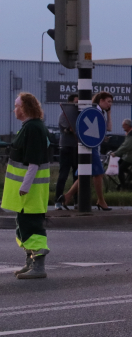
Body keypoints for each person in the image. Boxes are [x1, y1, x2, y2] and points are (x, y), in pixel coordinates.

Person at [2, 93, 51, 279]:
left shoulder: (33, 128)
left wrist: (25, 186)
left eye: (17, 106)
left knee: (31, 225)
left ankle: (38, 267)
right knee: (23, 225)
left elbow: (33, 162)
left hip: (30, 190)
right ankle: (30, 262)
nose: (14, 109)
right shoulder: (31, 127)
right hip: (28, 190)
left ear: (25, 108)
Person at [62, 92, 112, 211]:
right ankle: (101, 200)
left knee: (84, 175)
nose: (110, 104)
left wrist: (108, 113)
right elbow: (107, 128)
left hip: (90, 144)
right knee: (98, 174)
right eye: (108, 101)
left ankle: (66, 197)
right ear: (101, 101)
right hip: (90, 147)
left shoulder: (99, 112)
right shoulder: (95, 111)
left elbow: (105, 129)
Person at [54, 94, 79, 210]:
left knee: (78, 175)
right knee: (63, 175)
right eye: (75, 102)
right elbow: (68, 129)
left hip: (77, 148)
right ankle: (58, 201)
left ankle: (77, 201)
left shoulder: (79, 115)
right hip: (66, 148)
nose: (77, 105)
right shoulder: (64, 115)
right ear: (69, 103)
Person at [109, 118, 132, 186]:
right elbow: (123, 145)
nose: (122, 127)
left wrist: (116, 153)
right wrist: (116, 152)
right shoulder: (129, 133)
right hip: (129, 155)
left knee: (120, 169)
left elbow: (127, 146)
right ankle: (130, 175)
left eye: (123, 125)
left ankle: (123, 187)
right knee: (118, 163)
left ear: (127, 125)